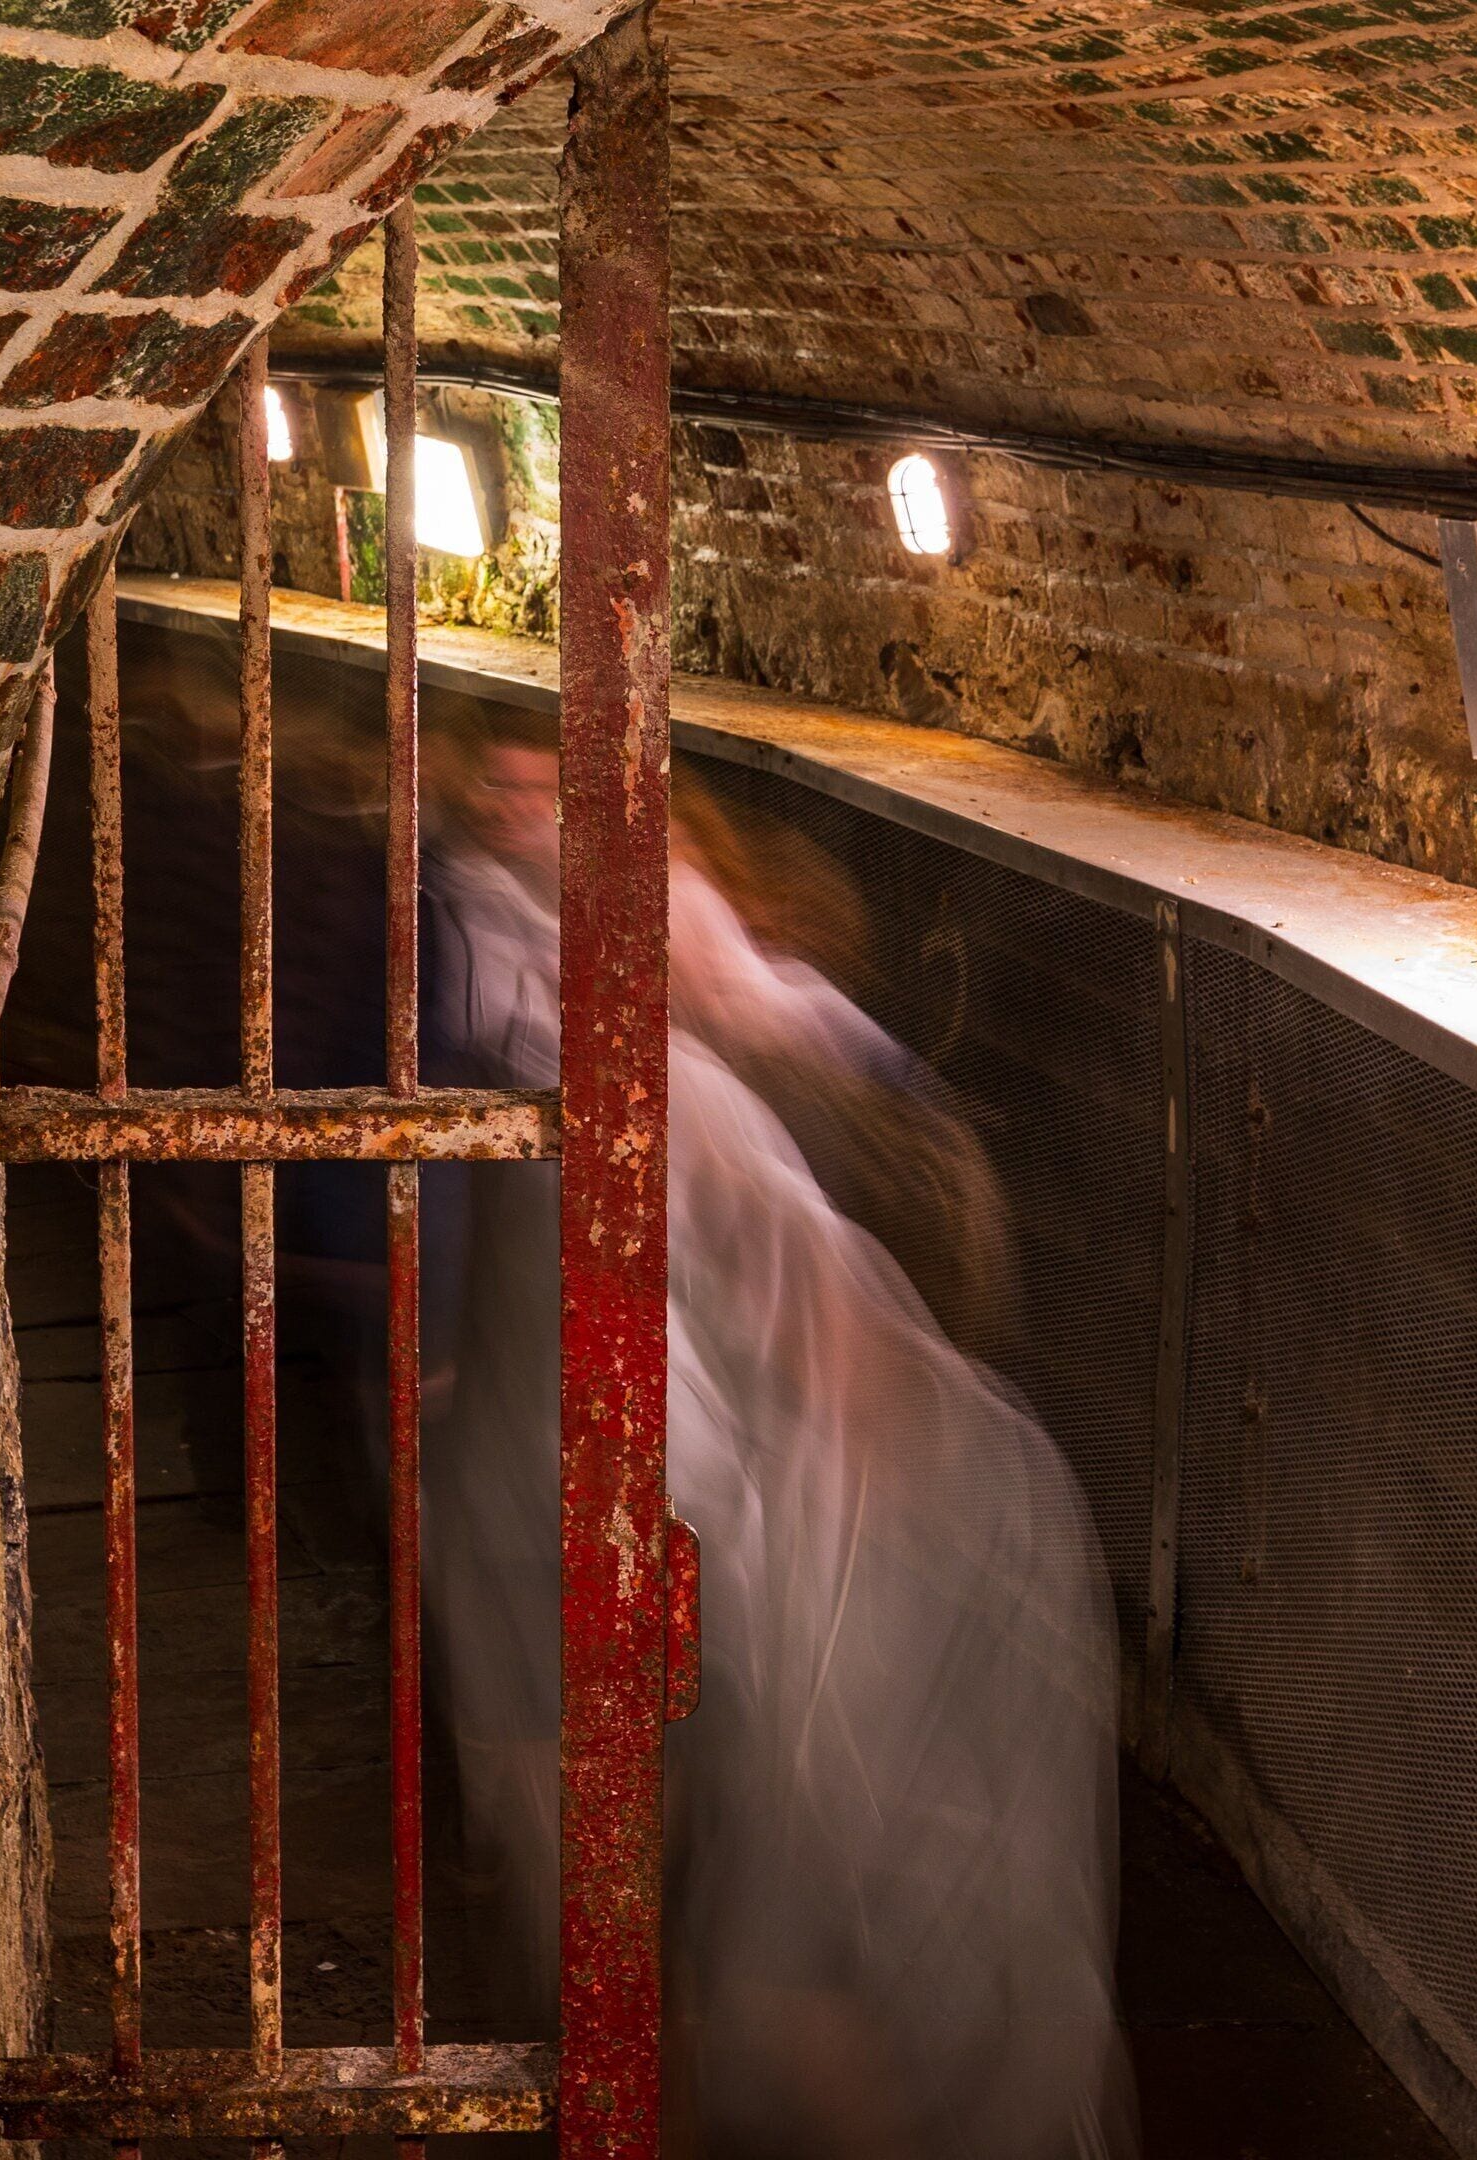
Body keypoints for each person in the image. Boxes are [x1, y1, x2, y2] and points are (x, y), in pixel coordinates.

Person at [419, 703, 1132, 2160]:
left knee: (730, 1968)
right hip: (668, 1602)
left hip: (707, 1615)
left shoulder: (716, 1105)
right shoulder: (610, 1090)